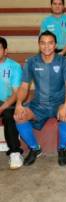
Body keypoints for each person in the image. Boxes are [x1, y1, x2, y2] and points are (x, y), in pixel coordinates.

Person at [14, 31, 66, 166]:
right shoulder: (31, 62)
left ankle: (62, 148)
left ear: (55, 45)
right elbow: (24, 86)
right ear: (39, 45)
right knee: (19, 116)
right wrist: (18, 103)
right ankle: (35, 148)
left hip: (58, 102)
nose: (46, 46)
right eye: (43, 43)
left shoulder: (64, 62)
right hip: (39, 105)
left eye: (50, 43)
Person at [0, 37, 23, 169]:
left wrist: (2, 108)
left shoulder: (14, 67)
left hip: (9, 100)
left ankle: (15, 152)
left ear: (5, 51)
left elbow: (16, 94)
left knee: (9, 115)